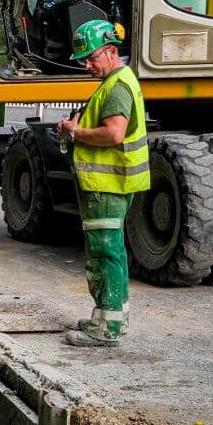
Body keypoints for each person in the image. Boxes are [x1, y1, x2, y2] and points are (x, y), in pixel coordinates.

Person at [56, 19, 149, 348]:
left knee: (103, 253)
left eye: (91, 57)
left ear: (111, 51)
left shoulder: (117, 86)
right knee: (113, 252)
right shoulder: (117, 81)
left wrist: (74, 132)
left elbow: (113, 133)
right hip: (109, 184)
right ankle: (110, 317)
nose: (87, 64)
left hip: (106, 186)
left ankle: (105, 329)